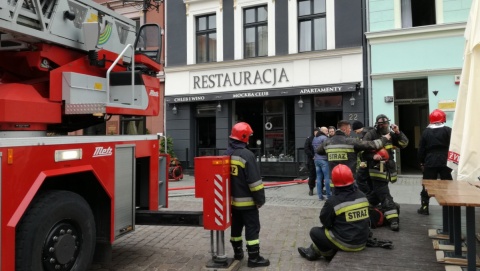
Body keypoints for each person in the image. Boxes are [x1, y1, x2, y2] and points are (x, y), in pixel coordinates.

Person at [297, 164, 371, 261]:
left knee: (315, 232)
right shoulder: (362, 196)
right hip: (362, 241)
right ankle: (312, 251)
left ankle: (327, 254)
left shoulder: (333, 201)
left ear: (334, 183)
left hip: (347, 243)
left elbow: (325, 222)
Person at [225, 122, 270, 267]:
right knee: (252, 228)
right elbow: (255, 182)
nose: (249, 139)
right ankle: (254, 258)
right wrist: (260, 200)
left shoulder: (227, 154)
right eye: (248, 136)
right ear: (244, 137)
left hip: (232, 203)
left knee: (236, 228)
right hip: (248, 203)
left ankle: (238, 253)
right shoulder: (247, 155)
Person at [360, 114, 409, 231]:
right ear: (378, 125)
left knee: (376, 194)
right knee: (384, 193)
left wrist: (398, 133)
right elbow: (363, 152)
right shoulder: (371, 134)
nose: (385, 126)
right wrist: (373, 156)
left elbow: (404, 144)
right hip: (376, 169)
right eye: (382, 124)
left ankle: (363, 208)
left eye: (386, 124)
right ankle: (393, 219)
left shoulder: (391, 135)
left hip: (388, 169)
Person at [316, 120, 390, 185]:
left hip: (334, 182)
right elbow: (371, 145)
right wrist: (385, 138)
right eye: (349, 128)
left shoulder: (327, 142)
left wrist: (331, 154)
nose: (350, 130)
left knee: (337, 200)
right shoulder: (351, 141)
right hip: (349, 180)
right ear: (344, 129)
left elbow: (318, 151)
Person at [417, 109, 452, 215]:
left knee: (427, 184)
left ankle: (424, 207)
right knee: (448, 184)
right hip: (445, 160)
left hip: (430, 161)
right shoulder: (448, 130)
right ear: (443, 118)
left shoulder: (426, 132)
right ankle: (449, 206)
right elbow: (454, 145)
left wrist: (421, 162)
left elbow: (421, 149)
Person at [312, 127, 330, 200]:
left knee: (319, 178)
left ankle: (320, 196)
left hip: (316, 160)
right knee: (327, 178)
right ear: (322, 131)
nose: (327, 132)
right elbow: (327, 148)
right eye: (326, 131)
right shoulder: (324, 138)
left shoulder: (315, 138)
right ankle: (329, 195)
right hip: (324, 160)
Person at [304, 127, 320, 196]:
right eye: (315, 132)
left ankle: (321, 189)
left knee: (320, 175)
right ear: (313, 132)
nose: (316, 133)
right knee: (312, 175)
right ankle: (311, 189)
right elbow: (306, 149)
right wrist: (312, 156)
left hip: (319, 159)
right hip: (311, 160)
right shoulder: (309, 139)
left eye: (318, 132)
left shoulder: (321, 138)